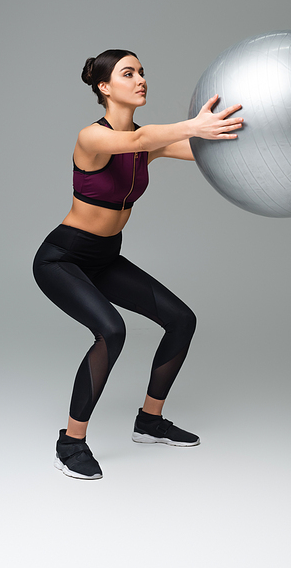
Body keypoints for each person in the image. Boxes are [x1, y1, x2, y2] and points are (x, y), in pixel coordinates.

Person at [33, 49, 243, 480]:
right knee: (111, 331)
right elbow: (134, 141)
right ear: (105, 87)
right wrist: (192, 125)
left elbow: (203, 150)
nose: (141, 79)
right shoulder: (93, 137)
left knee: (182, 320)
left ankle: (149, 421)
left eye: (143, 72)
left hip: (106, 258)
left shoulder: (145, 143)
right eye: (129, 73)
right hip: (63, 258)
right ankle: (70, 442)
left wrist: (242, 133)